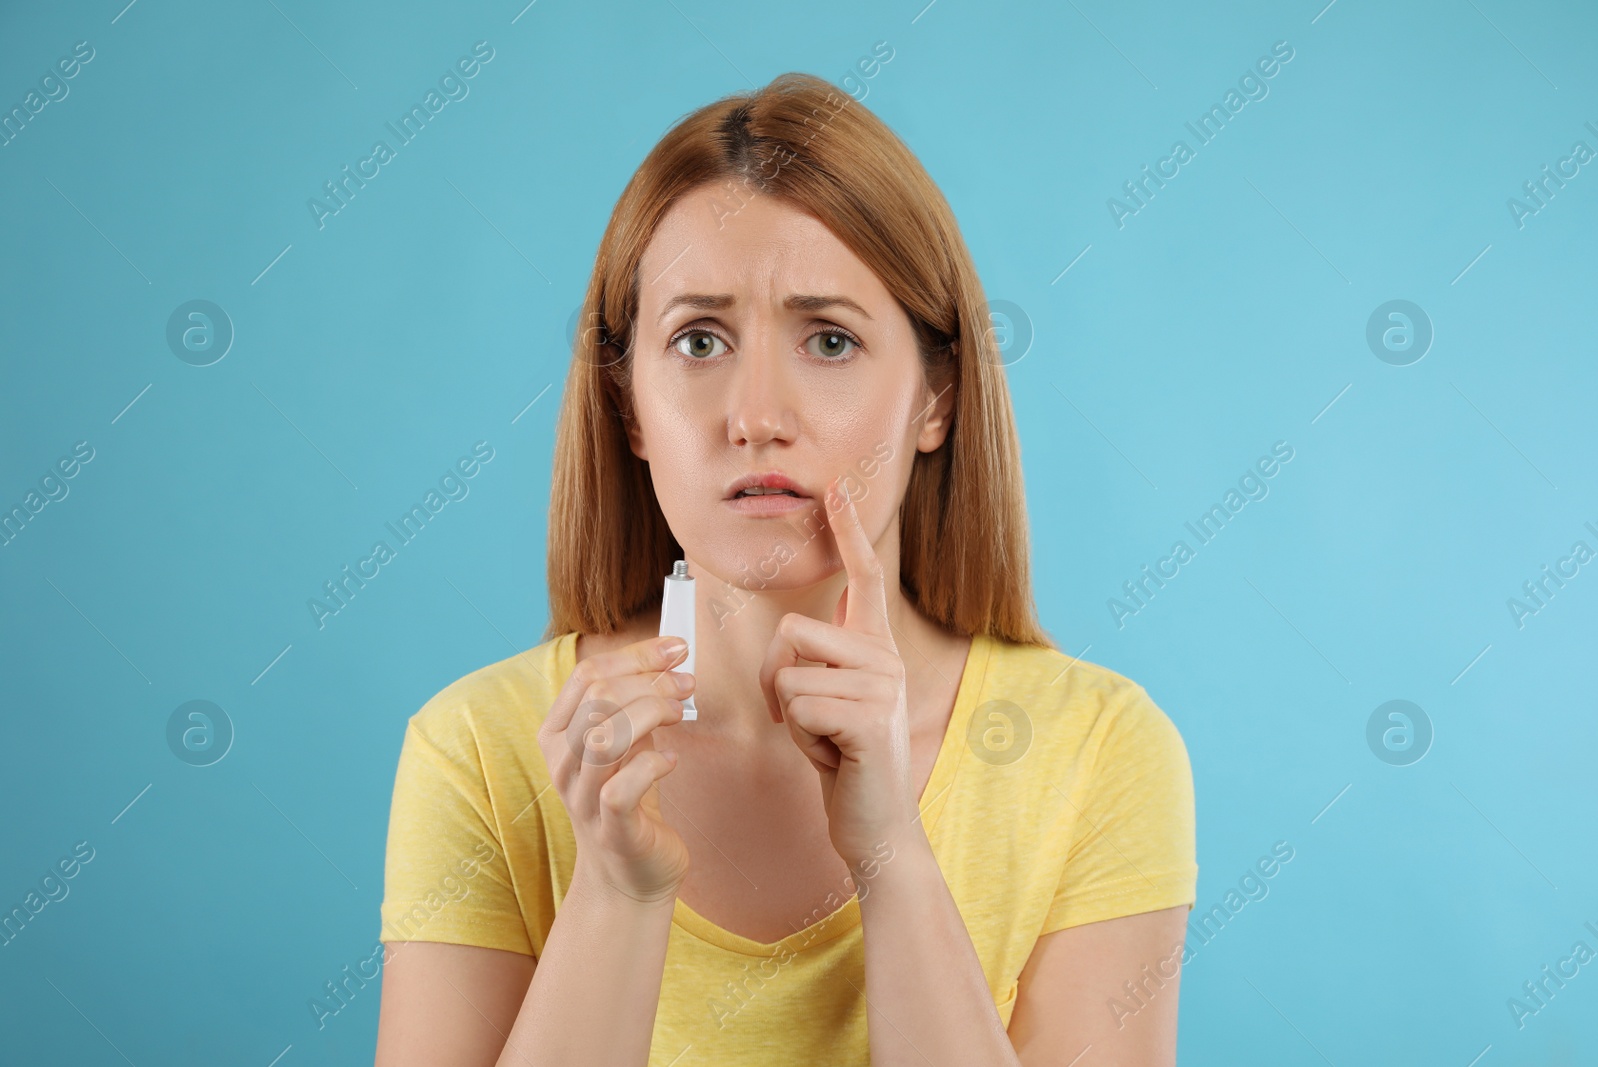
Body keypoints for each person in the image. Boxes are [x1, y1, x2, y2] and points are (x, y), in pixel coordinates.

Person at [374, 71, 1196, 1066]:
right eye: (699, 338)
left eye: (830, 338)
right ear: (628, 404)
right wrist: (616, 890)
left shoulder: (1098, 751)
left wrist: (892, 853)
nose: (756, 412)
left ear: (936, 396)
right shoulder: (475, 749)